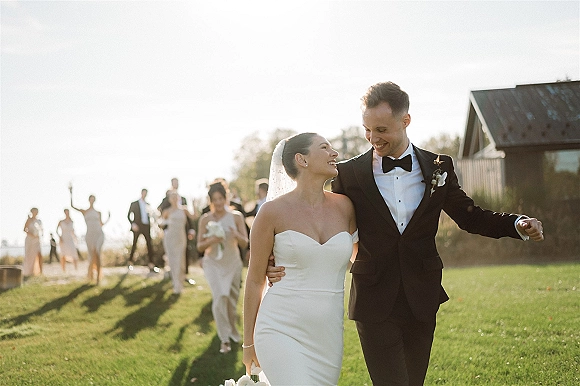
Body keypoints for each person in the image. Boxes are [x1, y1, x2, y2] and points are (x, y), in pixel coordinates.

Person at [267, 82, 544, 385]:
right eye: (367, 130)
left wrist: (516, 223)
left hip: (422, 294)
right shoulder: (348, 174)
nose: (373, 139)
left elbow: (471, 217)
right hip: (374, 298)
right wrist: (277, 254)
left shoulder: (439, 166)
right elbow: (323, 224)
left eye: (382, 129)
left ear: (405, 121)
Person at [243, 133, 358, 385]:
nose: (334, 153)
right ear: (301, 159)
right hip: (279, 328)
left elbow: (360, 257)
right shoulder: (271, 212)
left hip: (327, 338)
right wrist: (248, 342)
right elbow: (254, 281)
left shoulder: (346, 207)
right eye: (324, 147)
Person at [197, 180, 248, 354]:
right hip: (213, 264)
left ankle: (233, 329)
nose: (218, 202)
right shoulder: (205, 219)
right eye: (215, 199)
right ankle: (224, 339)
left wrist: (236, 234)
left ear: (226, 198)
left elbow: (245, 242)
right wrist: (212, 240)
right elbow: (199, 246)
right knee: (220, 298)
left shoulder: (236, 217)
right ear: (210, 200)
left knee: (231, 302)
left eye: (221, 198)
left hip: (232, 263)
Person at [70, 186, 110, 284]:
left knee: (97, 252)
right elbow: (72, 206)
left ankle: (98, 278)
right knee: (92, 256)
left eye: (93, 199)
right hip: (89, 235)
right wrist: (71, 193)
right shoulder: (84, 211)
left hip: (99, 234)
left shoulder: (98, 212)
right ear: (89, 200)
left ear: (94, 201)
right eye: (90, 199)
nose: (92, 201)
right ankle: (91, 274)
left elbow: (101, 224)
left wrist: (108, 218)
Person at [161, 191, 197, 294]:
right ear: (169, 199)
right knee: (172, 260)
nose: (174, 198)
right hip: (170, 238)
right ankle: (176, 284)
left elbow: (194, 216)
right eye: (172, 197)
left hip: (181, 237)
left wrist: (194, 204)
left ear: (178, 198)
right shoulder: (167, 211)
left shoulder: (184, 209)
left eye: (175, 196)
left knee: (181, 261)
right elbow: (162, 224)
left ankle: (180, 282)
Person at [158, 178, 195, 277]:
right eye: (174, 182)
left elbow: (189, 217)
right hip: (170, 231)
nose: (176, 184)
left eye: (177, 182)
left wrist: (191, 229)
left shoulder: (183, 199)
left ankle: (184, 274)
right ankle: (171, 272)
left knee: (183, 253)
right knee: (171, 254)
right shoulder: (165, 199)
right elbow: (160, 213)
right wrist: (164, 226)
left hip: (182, 231)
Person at [127, 188, 154, 271]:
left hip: (146, 226)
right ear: (141, 193)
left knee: (149, 244)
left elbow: (150, 215)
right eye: (144, 193)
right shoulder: (134, 203)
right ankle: (130, 262)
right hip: (137, 226)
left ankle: (151, 264)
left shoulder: (148, 204)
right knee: (134, 244)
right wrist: (133, 224)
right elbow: (128, 215)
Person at [22, 207, 44, 277]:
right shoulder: (29, 220)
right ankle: (29, 271)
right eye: (34, 211)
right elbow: (24, 229)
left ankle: (40, 272)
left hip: (37, 240)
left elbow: (41, 229)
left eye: (36, 211)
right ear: (32, 212)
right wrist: (32, 235)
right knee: (30, 256)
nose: (35, 213)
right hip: (30, 240)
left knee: (39, 254)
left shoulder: (39, 220)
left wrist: (40, 235)